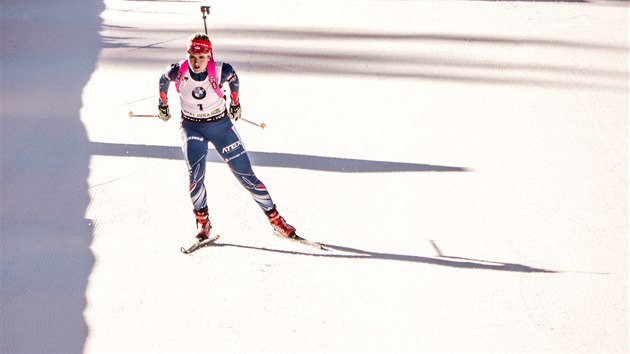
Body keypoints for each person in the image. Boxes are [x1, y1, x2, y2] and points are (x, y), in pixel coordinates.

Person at [158, 32, 296, 243]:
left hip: (220, 126)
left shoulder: (222, 70)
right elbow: (162, 80)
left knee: (246, 175)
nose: (196, 62)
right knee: (195, 177)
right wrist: (162, 105)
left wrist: (235, 102)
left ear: (209, 55)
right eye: (192, 57)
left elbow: (234, 80)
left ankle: (276, 220)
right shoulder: (177, 71)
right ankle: (203, 222)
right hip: (191, 127)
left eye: (202, 57)